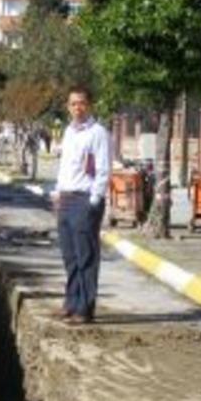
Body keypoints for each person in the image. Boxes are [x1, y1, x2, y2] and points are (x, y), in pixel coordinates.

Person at [52, 86, 112, 325]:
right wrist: (58, 193)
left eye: (82, 103)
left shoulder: (97, 133)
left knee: (86, 255)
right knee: (70, 255)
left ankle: (84, 308)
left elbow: (103, 168)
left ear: (89, 105)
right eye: (73, 103)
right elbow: (65, 167)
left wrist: (94, 200)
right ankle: (72, 301)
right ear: (68, 107)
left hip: (84, 199)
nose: (77, 107)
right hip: (66, 198)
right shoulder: (69, 132)